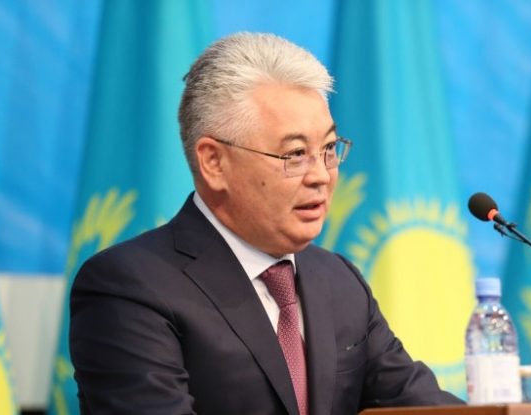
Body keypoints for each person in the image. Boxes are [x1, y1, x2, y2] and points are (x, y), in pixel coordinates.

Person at [69, 32, 464, 415]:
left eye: (329, 148)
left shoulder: (339, 281)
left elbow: (422, 406)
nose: (321, 176)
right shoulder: (130, 287)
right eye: (295, 154)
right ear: (214, 162)